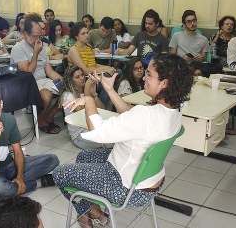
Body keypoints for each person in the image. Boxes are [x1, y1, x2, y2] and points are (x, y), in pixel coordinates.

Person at [53, 53, 193, 227]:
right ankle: (94, 209)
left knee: (60, 173)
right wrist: (110, 90)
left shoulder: (146, 115)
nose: (143, 77)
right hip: (149, 180)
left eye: (149, 74)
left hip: (125, 188)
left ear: (164, 84)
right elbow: (131, 114)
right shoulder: (174, 110)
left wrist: (89, 100)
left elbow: (98, 131)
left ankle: (89, 212)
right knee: (84, 157)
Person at [0, 87, 60, 201]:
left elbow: (17, 150)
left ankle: (12, 188)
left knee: (52, 160)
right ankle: (37, 183)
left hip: (10, 166)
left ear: (1, 104)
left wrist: (19, 176)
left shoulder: (9, 119)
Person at [10, 13, 63, 134]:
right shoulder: (18, 49)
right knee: (46, 95)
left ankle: (48, 116)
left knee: (68, 90)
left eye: (40, 36)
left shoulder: (42, 46)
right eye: (35, 36)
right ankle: (41, 120)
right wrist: (35, 53)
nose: (38, 40)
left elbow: (49, 71)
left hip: (44, 81)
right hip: (27, 84)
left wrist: (64, 80)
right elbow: (28, 73)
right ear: (25, 34)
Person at [67, 22, 115, 108]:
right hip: (83, 77)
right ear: (76, 36)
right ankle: (100, 107)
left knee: (116, 72)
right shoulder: (74, 50)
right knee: (107, 77)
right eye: (83, 33)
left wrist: (108, 67)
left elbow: (94, 64)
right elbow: (84, 70)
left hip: (93, 74)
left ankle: (103, 106)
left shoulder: (88, 46)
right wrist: (105, 70)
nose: (87, 35)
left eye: (87, 32)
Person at [60, 66, 105, 150]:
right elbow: (83, 115)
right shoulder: (68, 95)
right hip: (80, 136)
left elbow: (103, 109)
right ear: (71, 81)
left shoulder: (86, 90)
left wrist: (94, 95)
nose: (82, 78)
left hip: (93, 127)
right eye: (77, 77)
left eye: (82, 75)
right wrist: (87, 91)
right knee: (113, 139)